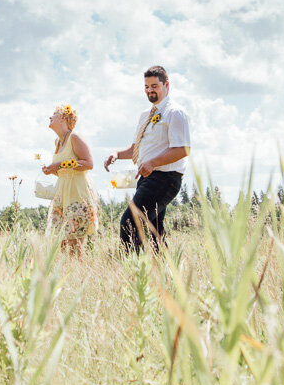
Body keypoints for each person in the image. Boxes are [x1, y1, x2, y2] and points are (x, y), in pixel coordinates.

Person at [105, 65, 190, 251]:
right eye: (146, 86)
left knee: (130, 221)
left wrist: (152, 162)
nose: (149, 90)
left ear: (166, 84)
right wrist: (117, 154)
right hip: (146, 178)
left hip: (165, 178)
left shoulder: (175, 112)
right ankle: (164, 273)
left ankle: (130, 268)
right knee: (155, 232)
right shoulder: (145, 115)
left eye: (154, 86)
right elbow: (138, 147)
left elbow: (182, 149)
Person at [41, 103, 99, 252]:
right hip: (62, 196)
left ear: (63, 118)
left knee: (75, 247)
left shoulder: (75, 137)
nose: (50, 117)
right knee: (60, 245)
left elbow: (89, 163)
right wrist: (52, 170)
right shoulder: (57, 142)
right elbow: (64, 170)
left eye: (53, 114)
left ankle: (82, 274)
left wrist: (59, 165)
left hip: (77, 195)